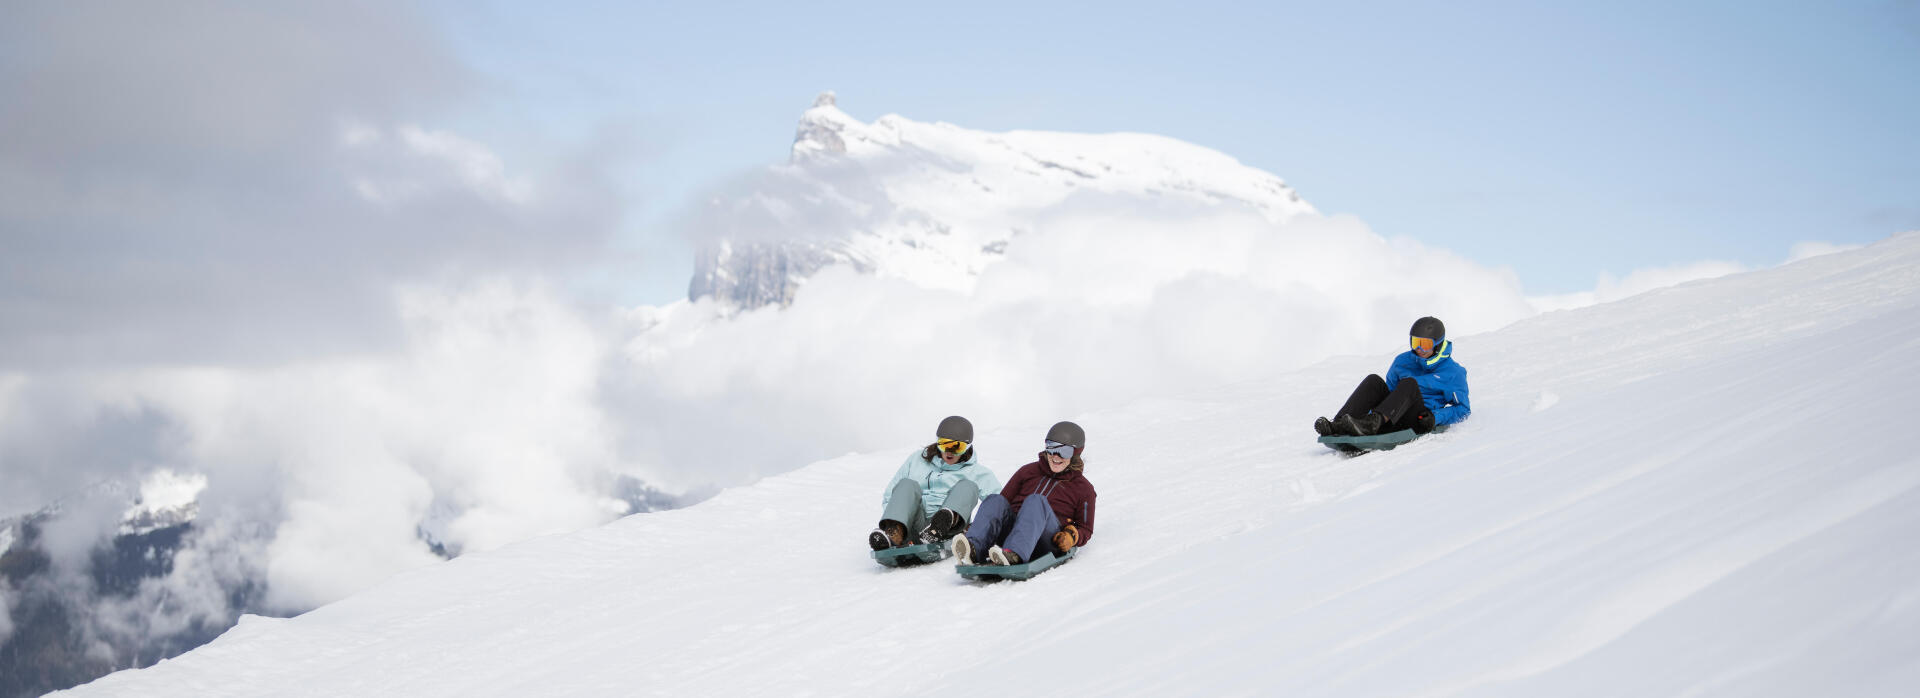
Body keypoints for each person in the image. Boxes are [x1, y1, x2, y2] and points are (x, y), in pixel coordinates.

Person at [952, 421, 1097, 567]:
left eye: (1064, 451)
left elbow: (1085, 529)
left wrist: (1071, 536)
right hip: (1012, 533)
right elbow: (1002, 502)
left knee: (1035, 501)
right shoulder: (1028, 471)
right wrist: (979, 527)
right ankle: (973, 549)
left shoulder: (1084, 489)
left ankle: (1014, 554)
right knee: (995, 499)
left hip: (1046, 540)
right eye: (1051, 448)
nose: (1055, 456)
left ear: (1076, 453)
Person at [1314, 316, 1471, 437]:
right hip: (1392, 415)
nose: (1419, 348)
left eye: (1426, 344)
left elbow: (1463, 409)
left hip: (1417, 419)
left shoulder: (1453, 372)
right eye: (1416, 342)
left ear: (1437, 344)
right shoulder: (1402, 361)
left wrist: (1435, 418)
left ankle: (1372, 424)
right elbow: (1389, 393)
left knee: (1410, 383)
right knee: (1374, 381)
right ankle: (1339, 424)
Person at [870, 416, 1003, 551]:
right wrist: (896, 518)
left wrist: (977, 528)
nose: (949, 451)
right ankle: (894, 533)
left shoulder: (977, 472)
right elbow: (891, 494)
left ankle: (940, 525)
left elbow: (999, 505)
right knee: (907, 485)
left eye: (957, 447)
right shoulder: (917, 460)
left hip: (950, 530)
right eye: (944, 444)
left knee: (967, 486)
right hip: (913, 523)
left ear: (968, 447)